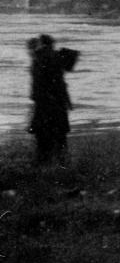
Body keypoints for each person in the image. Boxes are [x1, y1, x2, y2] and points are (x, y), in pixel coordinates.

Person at [27, 34, 79, 166]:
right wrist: (68, 102)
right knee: (60, 140)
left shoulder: (38, 60)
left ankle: (45, 169)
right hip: (57, 104)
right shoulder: (54, 57)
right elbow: (70, 63)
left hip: (44, 105)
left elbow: (35, 91)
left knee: (43, 143)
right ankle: (63, 168)